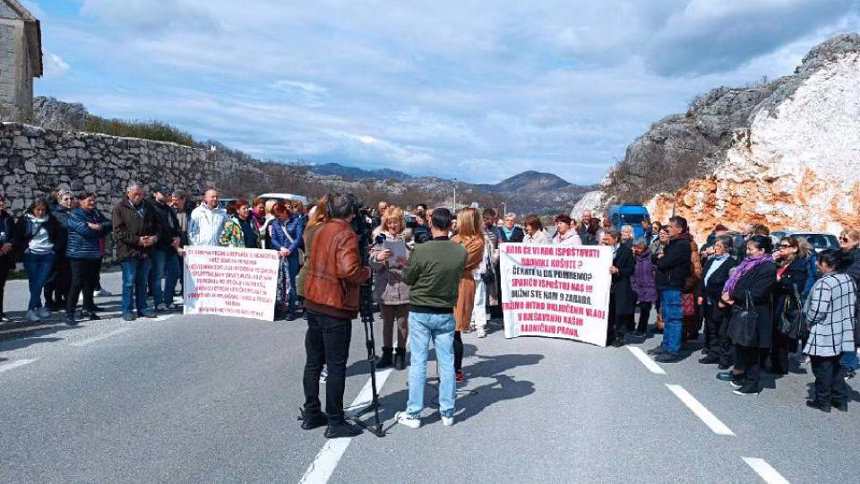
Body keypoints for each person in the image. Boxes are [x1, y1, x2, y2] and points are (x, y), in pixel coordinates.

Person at [299, 193, 371, 439]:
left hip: (313, 301)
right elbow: (348, 270)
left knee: (314, 361)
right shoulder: (346, 233)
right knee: (336, 366)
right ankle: (335, 420)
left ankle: (311, 413)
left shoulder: (318, 229)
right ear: (351, 212)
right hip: (333, 305)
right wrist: (367, 271)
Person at [396, 208, 467, 429]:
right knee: (446, 363)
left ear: (432, 223)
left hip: (421, 309)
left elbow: (408, 277)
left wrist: (404, 265)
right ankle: (447, 412)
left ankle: (414, 413)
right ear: (450, 225)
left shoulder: (422, 250)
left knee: (419, 362)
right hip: (445, 310)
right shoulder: (460, 251)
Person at [716, 235, 777, 396]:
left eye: (751, 249)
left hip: (755, 315)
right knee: (742, 346)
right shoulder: (749, 264)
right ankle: (740, 375)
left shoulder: (768, 267)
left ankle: (752, 383)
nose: (748, 252)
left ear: (762, 250)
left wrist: (733, 294)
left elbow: (757, 292)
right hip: (742, 310)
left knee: (751, 350)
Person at [803, 249, 856, 412]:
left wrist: (808, 322)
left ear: (831, 265)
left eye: (820, 262)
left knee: (821, 368)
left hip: (825, 331)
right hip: (843, 329)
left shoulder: (825, 283)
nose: (817, 265)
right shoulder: (848, 279)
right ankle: (840, 400)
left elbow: (818, 310)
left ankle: (823, 400)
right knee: (837, 367)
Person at [369, 205, 411, 370]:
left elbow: (415, 263)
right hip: (385, 286)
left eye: (396, 223)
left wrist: (407, 262)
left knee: (402, 322)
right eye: (390, 223)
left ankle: (400, 353)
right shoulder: (380, 239)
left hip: (403, 284)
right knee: (387, 322)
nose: (393, 226)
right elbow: (372, 260)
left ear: (401, 223)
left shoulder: (407, 240)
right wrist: (379, 257)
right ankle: (387, 353)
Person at [112, 182, 159, 321]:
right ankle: (127, 310)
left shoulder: (148, 207)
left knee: (143, 281)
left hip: (146, 251)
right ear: (128, 193)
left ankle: (142, 308)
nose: (138, 197)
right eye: (135, 194)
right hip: (129, 251)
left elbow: (158, 226)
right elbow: (119, 231)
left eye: (141, 194)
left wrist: (154, 238)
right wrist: (138, 240)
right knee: (128, 282)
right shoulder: (119, 208)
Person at [648, 216, 692, 363]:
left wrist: (660, 258)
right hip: (666, 284)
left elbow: (664, 262)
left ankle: (673, 350)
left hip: (673, 284)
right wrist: (659, 257)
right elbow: (655, 257)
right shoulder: (672, 243)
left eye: (671, 226)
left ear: (679, 229)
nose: (668, 229)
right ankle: (666, 345)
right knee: (667, 317)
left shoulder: (682, 245)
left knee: (674, 318)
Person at [65, 193, 112, 325]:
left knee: (91, 282)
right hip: (78, 254)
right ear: (80, 201)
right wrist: (93, 228)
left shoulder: (95, 214)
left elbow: (109, 224)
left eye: (93, 200)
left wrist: (99, 226)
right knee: (77, 283)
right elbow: (86, 232)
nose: (92, 203)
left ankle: (87, 308)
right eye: (89, 200)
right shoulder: (74, 215)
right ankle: (70, 313)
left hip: (94, 254)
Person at [451, 208, 485, 382]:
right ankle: (446, 365)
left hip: (462, 283)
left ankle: (456, 369)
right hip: (447, 283)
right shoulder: (454, 238)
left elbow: (461, 262)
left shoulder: (478, 242)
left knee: (455, 329)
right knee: (445, 329)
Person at [769, 235, 811, 375]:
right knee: (774, 333)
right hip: (774, 301)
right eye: (780, 245)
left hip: (786, 304)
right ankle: (774, 362)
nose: (781, 248)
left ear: (794, 249)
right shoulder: (779, 262)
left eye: (785, 246)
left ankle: (780, 366)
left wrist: (780, 280)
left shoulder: (799, 265)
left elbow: (797, 286)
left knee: (781, 334)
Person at [697, 235, 738, 367]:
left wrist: (723, 299)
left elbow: (731, 284)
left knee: (723, 331)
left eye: (719, 246)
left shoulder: (731, 263)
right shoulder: (711, 261)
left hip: (721, 302)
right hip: (708, 300)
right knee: (711, 328)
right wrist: (701, 294)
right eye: (715, 246)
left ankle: (725, 357)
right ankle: (713, 353)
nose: (716, 249)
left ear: (727, 248)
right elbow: (704, 278)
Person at [16, 199, 58, 322]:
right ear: (33, 209)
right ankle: (36, 307)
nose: (40, 212)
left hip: (47, 254)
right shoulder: (25, 220)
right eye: (38, 210)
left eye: (43, 210)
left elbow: (57, 235)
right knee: (34, 281)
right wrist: (25, 249)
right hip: (31, 254)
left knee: (40, 282)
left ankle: (31, 309)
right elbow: (19, 236)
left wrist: (54, 249)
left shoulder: (51, 220)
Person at [269, 201, 304, 320]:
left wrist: (289, 249)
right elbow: (273, 238)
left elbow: (299, 237)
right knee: (280, 282)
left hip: (292, 255)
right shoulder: (275, 223)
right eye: (275, 216)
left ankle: (292, 308)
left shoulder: (297, 221)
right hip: (280, 254)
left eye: (279, 215)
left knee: (291, 281)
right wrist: (281, 248)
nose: (277, 218)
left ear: (284, 211)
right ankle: (280, 305)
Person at [150, 184, 182, 312]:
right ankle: (159, 302)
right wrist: (170, 240)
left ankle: (168, 299)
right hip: (159, 247)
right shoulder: (151, 208)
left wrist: (178, 237)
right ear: (155, 194)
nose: (165, 195)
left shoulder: (169, 210)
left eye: (166, 193)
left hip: (170, 247)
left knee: (175, 272)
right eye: (162, 192)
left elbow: (175, 225)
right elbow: (157, 228)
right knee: (157, 276)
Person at [603, 230, 635, 347]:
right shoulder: (604, 250)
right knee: (609, 311)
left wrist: (618, 270)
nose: (606, 241)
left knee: (619, 312)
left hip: (620, 285)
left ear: (615, 238)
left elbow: (631, 269)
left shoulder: (626, 251)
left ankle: (620, 336)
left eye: (608, 239)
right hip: (607, 285)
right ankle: (609, 335)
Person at [44, 189, 74, 312]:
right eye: (66, 199)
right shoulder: (54, 214)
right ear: (59, 200)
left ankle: (62, 299)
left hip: (70, 250)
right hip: (57, 249)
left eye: (71, 198)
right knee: (52, 277)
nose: (69, 201)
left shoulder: (75, 212)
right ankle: (49, 301)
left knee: (67, 276)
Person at [838, 228, 860, 380]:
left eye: (845, 239)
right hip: (841, 298)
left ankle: (848, 366)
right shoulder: (841, 255)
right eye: (840, 238)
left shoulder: (857, 258)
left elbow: (852, 276)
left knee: (849, 334)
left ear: (856, 241)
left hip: (852, 300)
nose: (841, 242)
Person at [631, 237, 657, 338]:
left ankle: (642, 329)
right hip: (635, 286)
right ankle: (631, 326)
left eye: (638, 247)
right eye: (634, 247)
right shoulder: (632, 257)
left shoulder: (650, 257)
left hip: (648, 287)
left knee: (645, 309)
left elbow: (656, 269)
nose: (636, 249)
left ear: (643, 247)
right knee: (631, 308)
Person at [482, 208, 503, 319]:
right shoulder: (479, 229)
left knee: (492, 288)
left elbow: (499, 245)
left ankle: (493, 311)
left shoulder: (496, 230)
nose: (492, 222)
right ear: (485, 218)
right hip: (481, 262)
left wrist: (495, 257)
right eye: (490, 219)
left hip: (493, 263)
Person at [0, 194, 16, 322]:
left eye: (1, 201)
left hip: (4, 256)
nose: (1, 203)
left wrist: (8, 245)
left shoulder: (7, 218)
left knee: (1, 286)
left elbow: (14, 236)